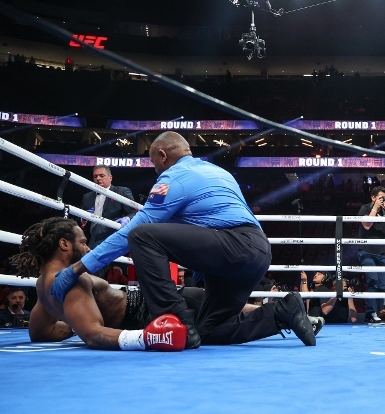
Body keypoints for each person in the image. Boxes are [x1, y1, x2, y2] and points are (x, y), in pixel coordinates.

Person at [50, 132, 315, 348]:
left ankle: (176, 320)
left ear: (163, 155)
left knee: (141, 235)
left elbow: (139, 229)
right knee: (208, 330)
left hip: (235, 247)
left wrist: (78, 267)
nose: (155, 169)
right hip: (256, 252)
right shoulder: (218, 172)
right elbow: (209, 219)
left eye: (154, 162)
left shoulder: (174, 176)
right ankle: (282, 311)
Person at [16, 217, 313, 350]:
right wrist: (77, 323)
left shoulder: (48, 285)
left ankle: (283, 313)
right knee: (216, 321)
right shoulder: (64, 284)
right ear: (64, 244)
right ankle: (286, 313)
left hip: (153, 305)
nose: (88, 249)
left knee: (210, 330)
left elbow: (66, 333)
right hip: (152, 307)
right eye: (83, 242)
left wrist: (145, 338)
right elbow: (66, 334)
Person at [356, 186, 385, 324]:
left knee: (382, 285)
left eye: (384, 198)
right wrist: (375, 208)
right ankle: (370, 314)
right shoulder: (365, 208)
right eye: (380, 198)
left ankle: (378, 314)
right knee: (372, 282)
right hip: (366, 251)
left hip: (381, 252)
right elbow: (366, 225)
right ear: (373, 197)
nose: (383, 201)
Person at [81, 165, 136, 249]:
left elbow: (133, 212)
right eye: (95, 176)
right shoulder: (87, 197)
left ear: (110, 177)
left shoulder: (121, 191)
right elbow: (78, 218)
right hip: (91, 237)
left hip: (113, 234)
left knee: (99, 226)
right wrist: (83, 218)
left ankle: (92, 255)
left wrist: (127, 219)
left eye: (101, 175)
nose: (98, 178)